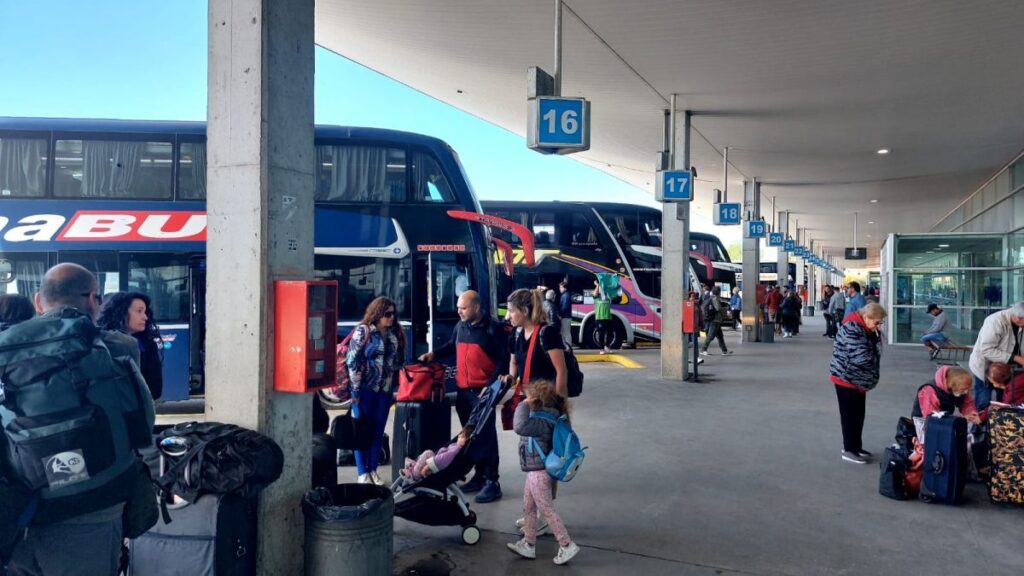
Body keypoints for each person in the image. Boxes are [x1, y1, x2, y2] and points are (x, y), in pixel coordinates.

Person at [5, 263, 147, 576]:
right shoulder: (119, 347)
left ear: (38, 301)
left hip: (17, 507)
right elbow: (142, 421)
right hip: (91, 504)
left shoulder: (7, 346)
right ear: (94, 300)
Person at [419, 290, 508, 503]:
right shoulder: (461, 326)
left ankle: (492, 482)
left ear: (476, 307)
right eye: (458, 308)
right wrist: (434, 354)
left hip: (482, 394)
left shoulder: (492, 329)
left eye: (464, 308)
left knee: (486, 437)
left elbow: (504, 360)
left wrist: (490, 385)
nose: (459, 311)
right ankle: (479, 476)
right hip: (463, 392)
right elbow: (452, 346)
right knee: (469, 437)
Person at [507, 379, 580, 566]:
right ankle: (528, 544)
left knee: (546, 510)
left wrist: (524, 404)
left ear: (536, 400)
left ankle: (566, 544)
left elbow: (519, 426)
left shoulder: (541, 420)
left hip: (538, 472)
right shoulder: (550, 416)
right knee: (529, 507)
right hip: (536, 470)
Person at [348, 296, 405, 486]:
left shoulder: (393, 333)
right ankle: (362, 473)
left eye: (393, 314)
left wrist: (395, 388)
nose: (392, 317)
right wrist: (355, 391)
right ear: (377, 313)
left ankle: (373, 470)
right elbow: (353, 361)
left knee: (378, 431)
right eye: (387, 314)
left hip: (385, 391)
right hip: (364, 390)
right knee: (361, 432)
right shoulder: (363, 331)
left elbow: (396, 363)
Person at [829, 302, 887, 465]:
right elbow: (861, 357)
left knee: (858, 415)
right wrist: (874, 352)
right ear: (866, 317)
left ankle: (856, 446)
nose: (878, 326)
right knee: (850, 416)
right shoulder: (852, 328)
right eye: (877, 322)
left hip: (857, 380)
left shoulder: (864, 328)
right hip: (846, 378)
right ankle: (849, 449)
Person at [98, 291, 164, 400]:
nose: (145, 317)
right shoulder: (101, 343)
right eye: (139, 311)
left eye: (145, 312)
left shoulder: (147, 345)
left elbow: (155, 390)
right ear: (122, 312)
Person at [506, 289, 567, 398]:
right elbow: (513, 362)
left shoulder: (547, 333)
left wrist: (558, 402)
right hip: (527, 398)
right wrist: (511, 377)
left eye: (511, 311)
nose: (508, 316)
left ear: (525, 311)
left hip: (546, 399)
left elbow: (561, 371)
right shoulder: (515, 334)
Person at [968, 302, 1024, 412]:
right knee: (983, 400)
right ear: (1018, 318)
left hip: (1005, 370)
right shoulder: (994, 321)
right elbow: (986, 350)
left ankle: (1000, 419)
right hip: (985, 367)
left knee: (1005, 401)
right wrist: (1017, 358)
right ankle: (982, 421)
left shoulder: (1020, 321)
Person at [399, 425, 474, 482]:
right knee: (428, 453)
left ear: (466, 441)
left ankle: (414, 475)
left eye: (462, 437)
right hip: (437, 463)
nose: (459, 436)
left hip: (436, 467)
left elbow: (443, 459)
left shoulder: (455, 450)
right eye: (460, 435)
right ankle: (415, 466)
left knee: (428, 453)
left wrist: (427, 467)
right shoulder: (456, 446)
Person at [911, 365, 981, 424]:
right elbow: (931, 417)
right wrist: (961, 419)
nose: (966, 392)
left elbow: (967, 403)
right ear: (951, 385)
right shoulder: (929, 390)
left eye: (968, 389)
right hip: (923, 424)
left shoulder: (958, 388)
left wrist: (971, 413)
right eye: (963, 389)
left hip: (942, 421)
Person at [591, 281, 613, 355]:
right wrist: (597, 285)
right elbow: (594, 293)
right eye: (600, 289)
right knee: (601, 334)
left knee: (610, 333)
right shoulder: (596, 298)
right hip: (599, 318)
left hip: (608, 318)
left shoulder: (607, 297)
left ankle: (607, 346)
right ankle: (601, 349)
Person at [558, 281, 572, 347]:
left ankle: (568, 346)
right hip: (566, 316)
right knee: (565, 332)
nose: (560, 289)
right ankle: (567, 346)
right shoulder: (565, 295)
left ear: (565, 288)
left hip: (565, 317)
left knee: (566, 332)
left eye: (561, 287)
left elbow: (564, 307)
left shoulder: (565, 296)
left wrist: (560, 315)